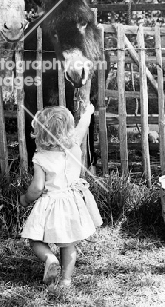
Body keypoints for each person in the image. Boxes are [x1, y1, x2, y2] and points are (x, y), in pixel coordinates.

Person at [19, 104, 102, 288]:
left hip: (50, 204)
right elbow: (83, 127)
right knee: (69, 244)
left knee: (35, 239)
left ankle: (49, 258)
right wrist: (87, 112)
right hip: (73, 202)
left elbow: (37, 187)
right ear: (68, 130)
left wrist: (25, 199)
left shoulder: (40, 157)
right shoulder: (73, 147)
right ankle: (66, 280)